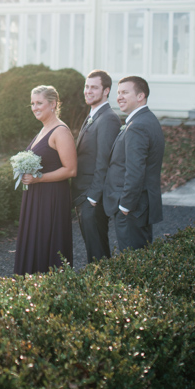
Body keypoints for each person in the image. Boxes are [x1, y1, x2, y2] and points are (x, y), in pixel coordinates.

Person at [14, 85, 78, 276]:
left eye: (39, 103)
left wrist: (39, 178)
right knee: (33, 240)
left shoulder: (60, 131)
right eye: (32, 103)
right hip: (35, 196)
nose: (35, 107)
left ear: (53, 104)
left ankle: (49, 292)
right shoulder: (43, 130)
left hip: (51, 199)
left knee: (46, 242)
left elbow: (71, 169)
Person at [105, 76, 165, 252]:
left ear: (140, 96)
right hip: (140, 206)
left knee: (132, 258)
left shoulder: (138, 125)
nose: (119, 97)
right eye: (118, 93)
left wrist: (125, 206)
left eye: (125, 92)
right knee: (140, 257)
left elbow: (135, 171)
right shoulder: (146, 119)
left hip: (133, 208)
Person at [72, 70, 120, 263]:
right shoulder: (94, 115)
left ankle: (103, 288)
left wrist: (93, 197)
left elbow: (104, 161)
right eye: (87, 86)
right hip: (83, 195)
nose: (88, 91)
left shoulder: (108, 118)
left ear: (106, 91)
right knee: (93, 249)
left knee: (98, 252)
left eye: (94, 87)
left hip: (92, 198)